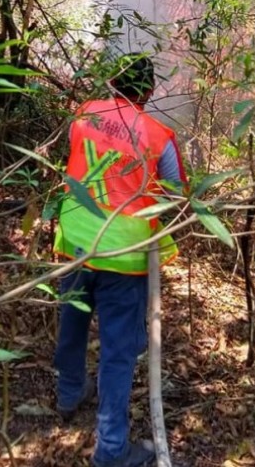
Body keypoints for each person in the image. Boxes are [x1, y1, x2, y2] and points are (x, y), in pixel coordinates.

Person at [53, 53, 187, 467]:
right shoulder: (159, 135)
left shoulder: (83, 115)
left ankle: (70, 392)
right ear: (148, 90)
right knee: (117, 352)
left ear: (111, 83)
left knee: (71, 323)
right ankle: (110, 450)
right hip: (123, 257)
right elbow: (179, 196)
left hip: (75, 243)